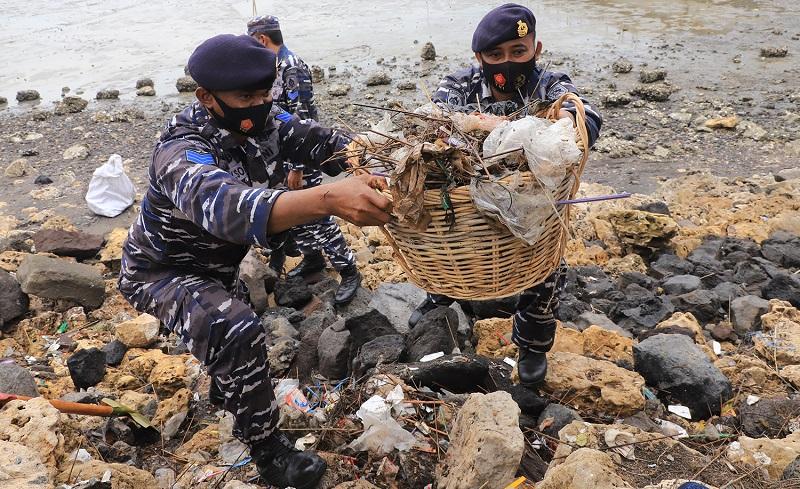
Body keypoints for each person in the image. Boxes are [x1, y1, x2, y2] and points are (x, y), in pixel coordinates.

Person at [117, 34, 391, 489]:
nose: (260, 105)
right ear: (206, 97)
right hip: (161, 272)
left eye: (266, 94)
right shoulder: (181, 150)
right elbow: (229, 209)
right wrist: (328, 198)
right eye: (247, 97)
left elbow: (319, 140)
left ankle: (231, 393)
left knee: (232, 343)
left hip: (220, 269)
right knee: (236, 327)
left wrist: (377, 161)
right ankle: (270, 454)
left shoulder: (264, 117)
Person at [409, 3, 603, 387]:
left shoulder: (548, 83)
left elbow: (587, 116)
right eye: (495, 56)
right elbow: (430, 123)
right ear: (479, 57)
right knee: (447, 237)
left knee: (546, 268)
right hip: (469, 196)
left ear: (537, 49)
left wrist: (563, 126)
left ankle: (532, 344)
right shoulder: (461, 83)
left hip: (533, 200)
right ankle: (440, 295)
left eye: (519, 52)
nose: (507, 63)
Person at [247, 15, 362, 304]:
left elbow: (304, 117)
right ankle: (312, 260)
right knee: (294, 212)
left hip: (301, 155)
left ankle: (348, 270)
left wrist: (297, 167)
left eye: (251, 41)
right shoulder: (269, 66)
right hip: (280, 157)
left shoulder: (290, 66)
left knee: (317, 214)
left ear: (262, 39)